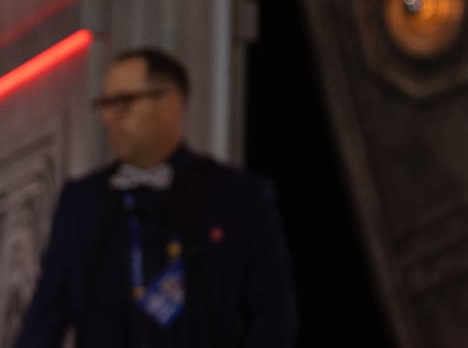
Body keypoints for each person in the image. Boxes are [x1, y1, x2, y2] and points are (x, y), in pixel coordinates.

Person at [17, 48, 298, 348]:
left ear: (170, 104)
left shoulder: (235, 196)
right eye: (105, 104)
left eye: (124, 102)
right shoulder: (84, 201)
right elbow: (46, 316)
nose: (110, 117)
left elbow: (273, 314)